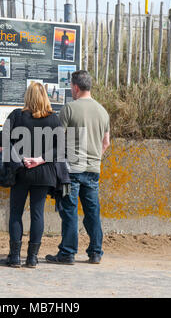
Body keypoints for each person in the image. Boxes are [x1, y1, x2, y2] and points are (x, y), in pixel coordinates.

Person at [45, 70, 111, 265]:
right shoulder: (102, 111)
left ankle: (67, 253)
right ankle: (96, 252)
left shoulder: (69, 109)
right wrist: (95, 159)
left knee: (69, 211)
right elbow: (106, 142)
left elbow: (58, 138)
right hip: (93, 170)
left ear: (75, 87)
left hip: (72, 170)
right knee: (92, 212)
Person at [0, 82, 63, 268]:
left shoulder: (17, 116)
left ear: (27, 97)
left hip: (20, 171)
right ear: (45, 97)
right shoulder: (54, 119)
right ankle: (32, 258)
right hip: (44, 173)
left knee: (16, 213)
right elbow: (61, 149)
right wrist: (40, 159)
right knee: (37, 214)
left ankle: (15, 257)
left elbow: (2, 144)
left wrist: (21, 155)